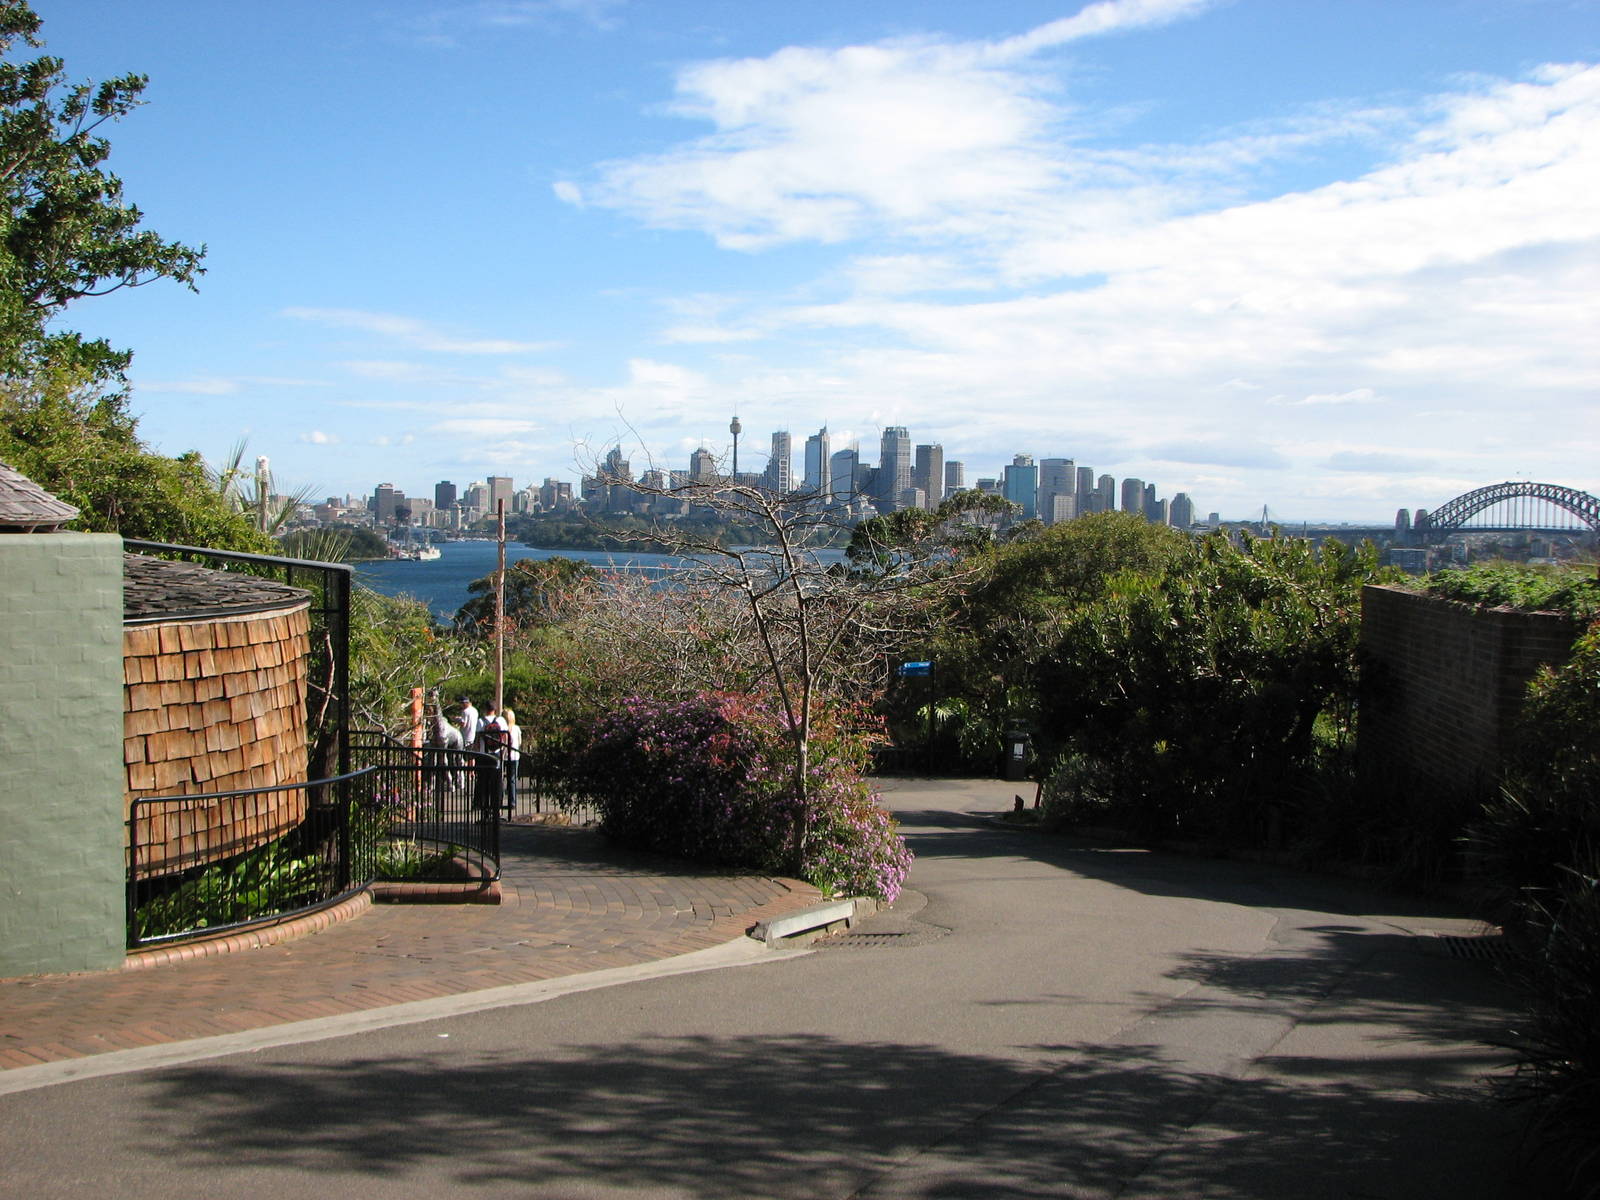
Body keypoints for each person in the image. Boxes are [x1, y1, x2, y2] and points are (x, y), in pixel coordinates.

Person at [501, 707, 523, 817]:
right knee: (512, 780)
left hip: (504, 756)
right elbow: (519, 742)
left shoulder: (503, 729)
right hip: (515, 756)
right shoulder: (517, 728)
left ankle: (499, 800)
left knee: (500, 779)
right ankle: (512, 802)